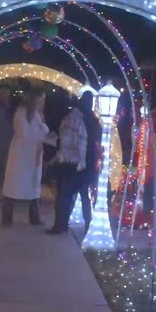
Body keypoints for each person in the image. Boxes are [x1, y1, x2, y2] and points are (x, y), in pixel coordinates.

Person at [1, 90, 55, 226]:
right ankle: (7, 218)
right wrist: (44, 138)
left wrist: (49, 138)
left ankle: (34, 217)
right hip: (21, 156)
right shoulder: (21, 113)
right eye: (41, 100)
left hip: (33, 156)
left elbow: (42, 131)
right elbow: (23, 134)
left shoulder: (37, 114)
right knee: (14, 186)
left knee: (34, 187)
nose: (43, 103)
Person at [47, 91, 93, 235]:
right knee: (80, 195)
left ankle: (61, 225)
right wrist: (83, 162)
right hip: (77, 163)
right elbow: (80, 143)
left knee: (64, 195)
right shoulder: (80, 120)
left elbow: (65, 143)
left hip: (70, 163)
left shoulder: (70, 119)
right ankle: (85, 224)